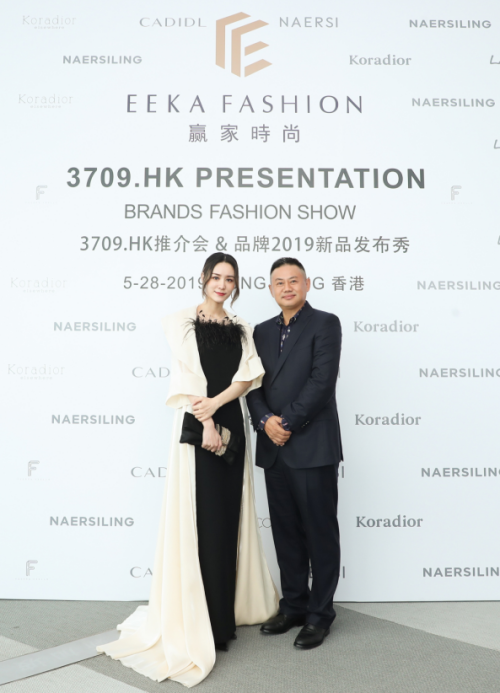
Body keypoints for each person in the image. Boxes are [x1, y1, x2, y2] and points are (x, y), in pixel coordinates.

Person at [97, 252, 278, 687]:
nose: (222, 284)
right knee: (201, 518)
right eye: (216, 276)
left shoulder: (242, 326)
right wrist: (207, 421)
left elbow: (247, 377)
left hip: (229, 419)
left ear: (236, 284)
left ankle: (221, 618)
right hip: (197, 425)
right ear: (203, 278)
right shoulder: (180, 321)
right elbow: (188, 377)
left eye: (229, 279)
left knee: (227, 518)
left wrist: (219, 407)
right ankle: (200, 621)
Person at [246, 257, 342, 650]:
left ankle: (320, 616)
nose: (287, 287)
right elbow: (251, 383)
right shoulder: (260, 332)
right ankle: (294, 607)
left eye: (293, 281)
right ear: (271, 289)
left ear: (306, 284)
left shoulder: (325, 324)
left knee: (319, 533)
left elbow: (322, 382)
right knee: (286, 534)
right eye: (279, 282)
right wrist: (265, 420)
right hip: (274, 448)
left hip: (312, 446)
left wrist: (285, 423)